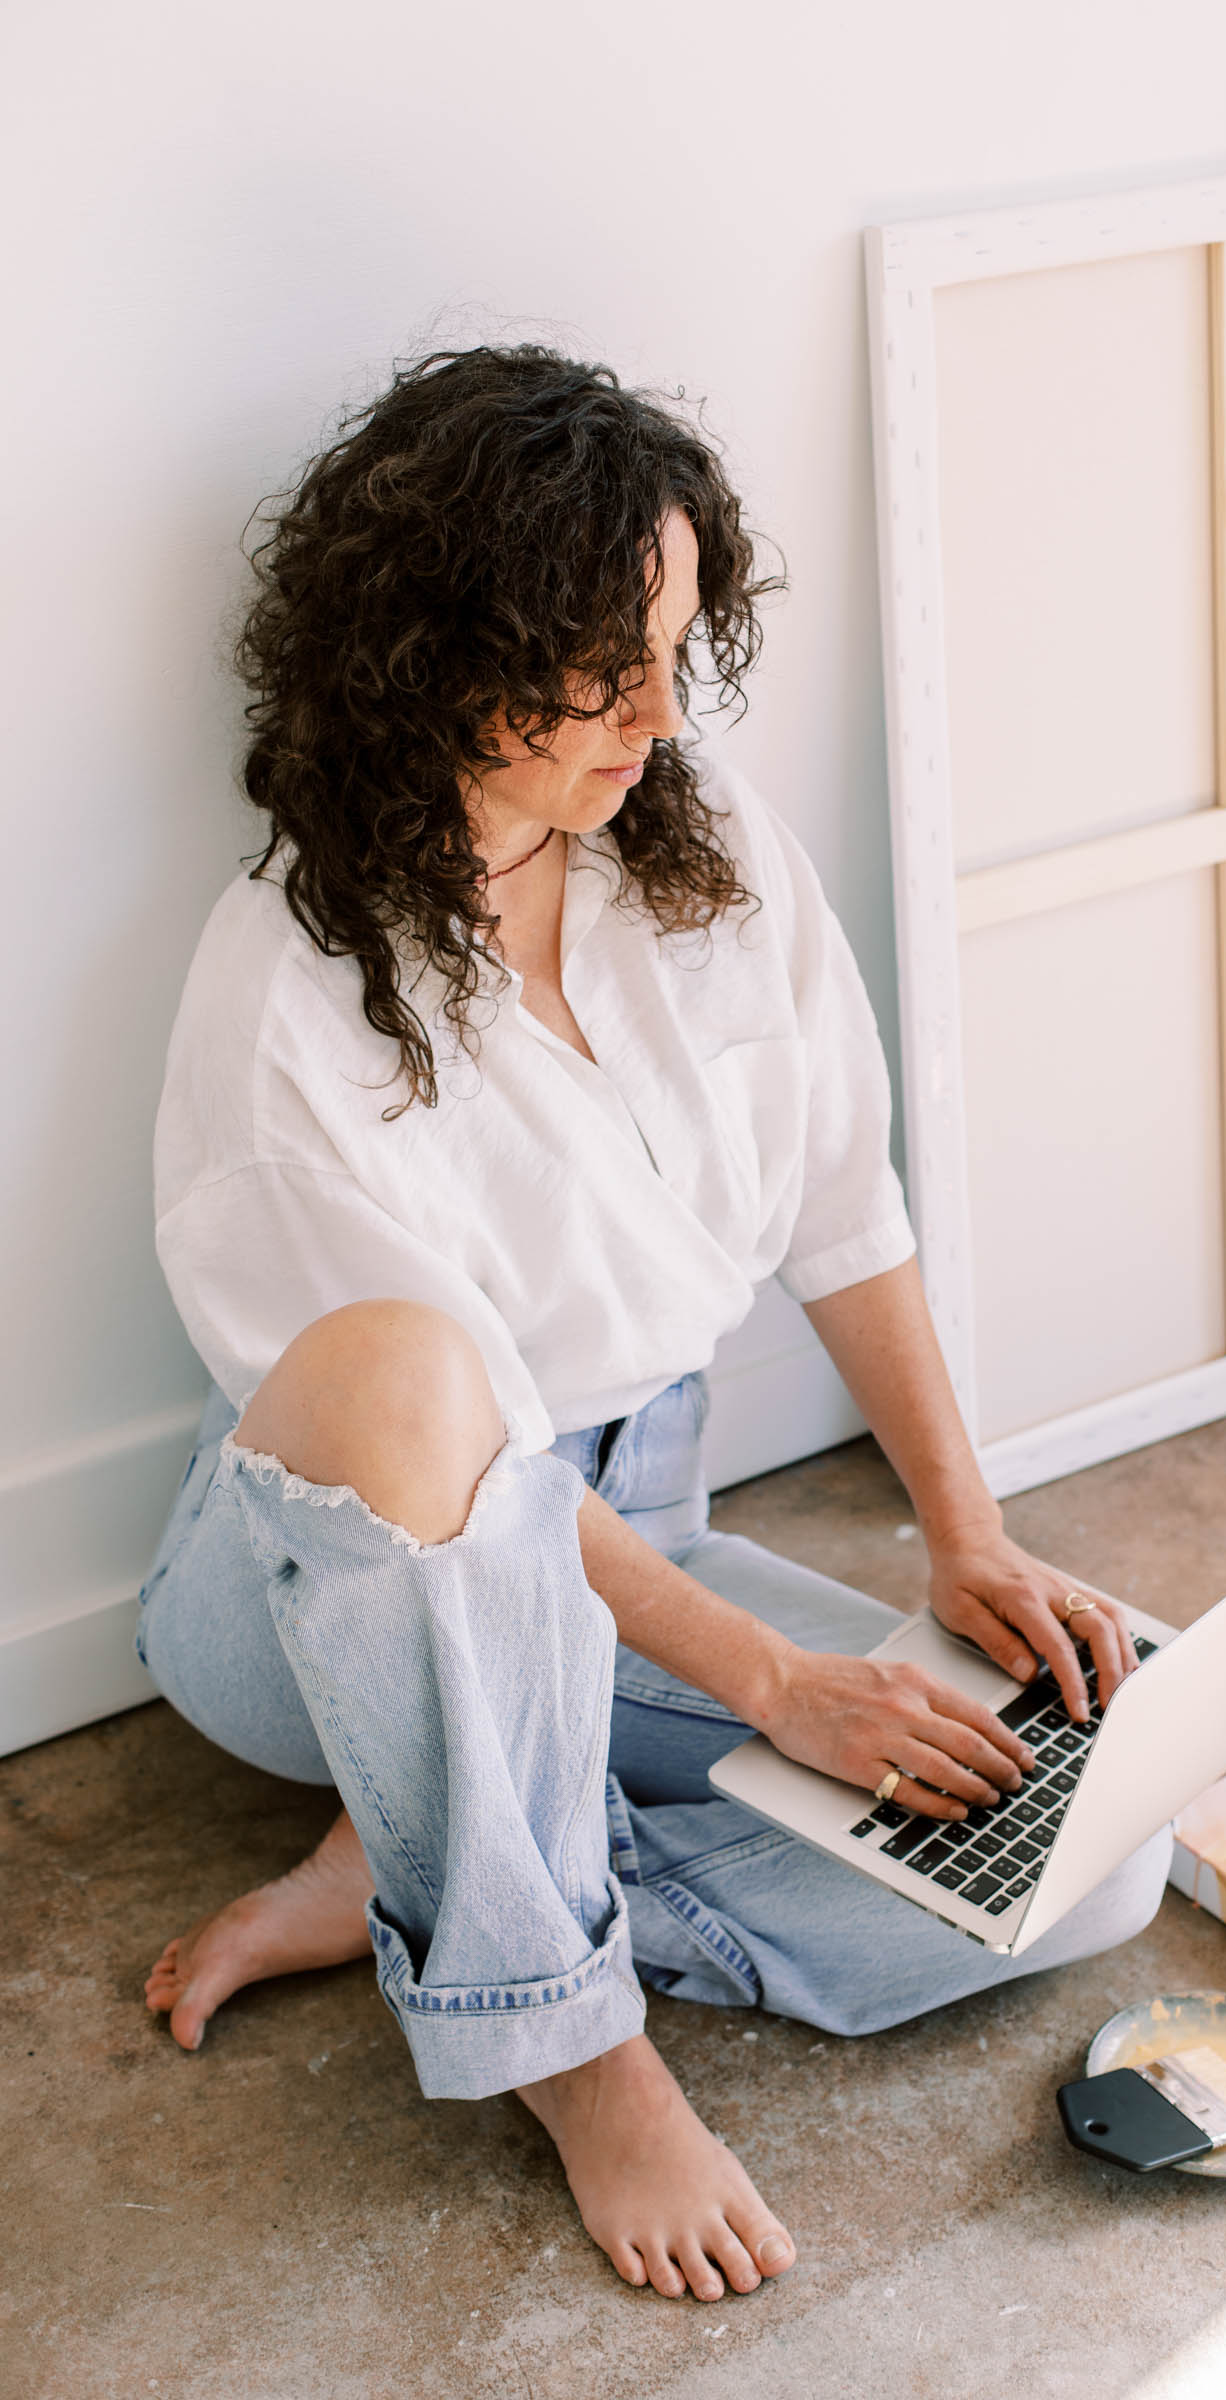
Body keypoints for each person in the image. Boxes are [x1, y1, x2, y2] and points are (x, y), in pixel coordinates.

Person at [136, 347, 1170, 2305]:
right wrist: (773, 1688)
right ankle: (572, 2046)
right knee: (418, 1373)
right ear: (435, 657)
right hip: (319, 1584)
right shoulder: (280, 1000)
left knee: (1090, 1845)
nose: (655, 720)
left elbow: (842, 1211)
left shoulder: (694, 858)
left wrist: (968, 1539)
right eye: (600, 674)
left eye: (676, 655)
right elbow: (487, 1474)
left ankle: (430, 1874)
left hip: (643, 1529)